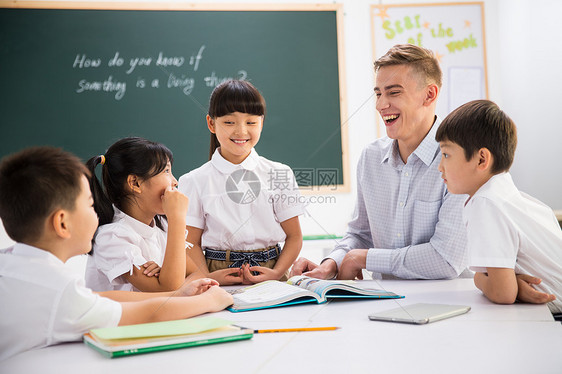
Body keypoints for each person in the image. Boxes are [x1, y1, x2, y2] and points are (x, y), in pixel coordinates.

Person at [0, 146, 233, 361]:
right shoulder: (58, 289)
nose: (98, 212)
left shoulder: (17, 264)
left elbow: (102, 298)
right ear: (62, 223)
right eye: (90, 205)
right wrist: (208, 300)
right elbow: (149, 314)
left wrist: (182, 293)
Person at [291, 44, 467, 280]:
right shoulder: (371, 158)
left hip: (447, 306)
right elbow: (361, 233)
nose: (380, 105)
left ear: (429, 94)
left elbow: (445, 259)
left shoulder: (461, 160)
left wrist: (364, 259)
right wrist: (332, 262)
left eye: (393, 93)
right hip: (382, 302)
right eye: (378, 93)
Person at [435, 99, 562, 315]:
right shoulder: (511, 197)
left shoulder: (485, 203)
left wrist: (477, 279)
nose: (440, 167)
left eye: (446, 154)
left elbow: (503, 294)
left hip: (553, 317)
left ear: (481, 159)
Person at [178, 79, 305, 285]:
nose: (241, 131)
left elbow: (294, 236)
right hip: (217, 273)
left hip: (272, 271)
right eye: (229, 122)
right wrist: (208, 277)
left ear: (261, 123)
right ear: (211, 123)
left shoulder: (279, 173)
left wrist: (276, 273)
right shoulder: (193, 181)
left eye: (251, 122)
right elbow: (189, 243)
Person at [84, 137, 192, 292]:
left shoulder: (160, 225)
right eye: (166, 171)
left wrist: (167, 273)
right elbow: (168, 288)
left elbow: (190, 271)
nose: (175, 181)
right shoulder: (112, 236)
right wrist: (177, 218)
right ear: (135, 183)